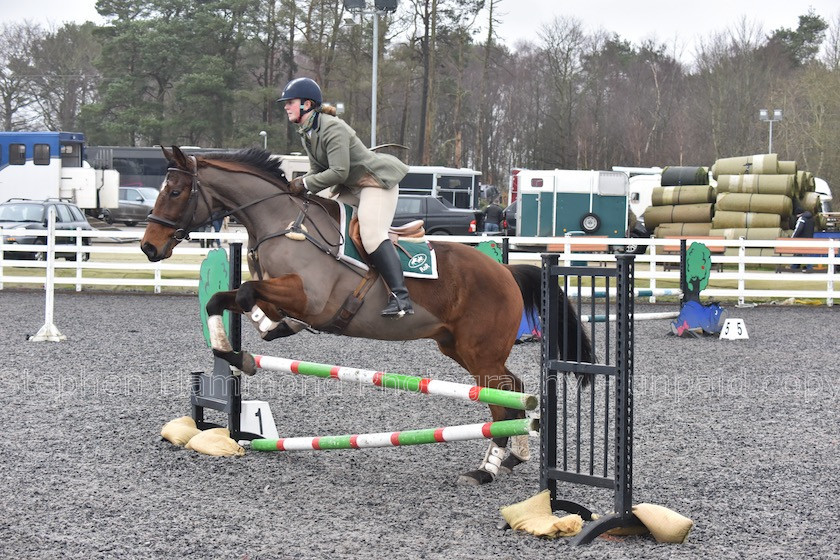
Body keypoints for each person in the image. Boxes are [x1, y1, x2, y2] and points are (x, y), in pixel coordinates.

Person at [277, 77, 414, 318]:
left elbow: (339, 171)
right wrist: (300, 185)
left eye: (290, 102)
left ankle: (401, 297)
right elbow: (318, 170)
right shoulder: (307, 131)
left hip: (376, 182)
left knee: (371, 236)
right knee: (324, 219)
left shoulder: (332, 127)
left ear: (307, 104)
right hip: (352, 186)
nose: (286, 106)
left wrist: (306, 183)